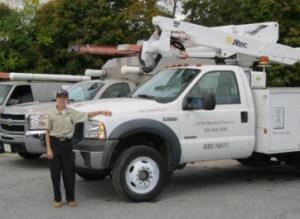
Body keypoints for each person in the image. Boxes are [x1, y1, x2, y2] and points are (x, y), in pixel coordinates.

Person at [45, 89, 112, 208]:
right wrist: (49, 150)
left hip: (67, 145)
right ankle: (57, 199)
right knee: (55, 174)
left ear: (67, 100)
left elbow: (86, 115)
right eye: (60, 97)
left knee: (69, 173)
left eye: (64, 97)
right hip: (55, 145)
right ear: (57, 99)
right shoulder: (51, 114)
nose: (62, 100)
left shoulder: (72, 112)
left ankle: (70, 198)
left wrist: (101, 111)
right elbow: (47, 132)